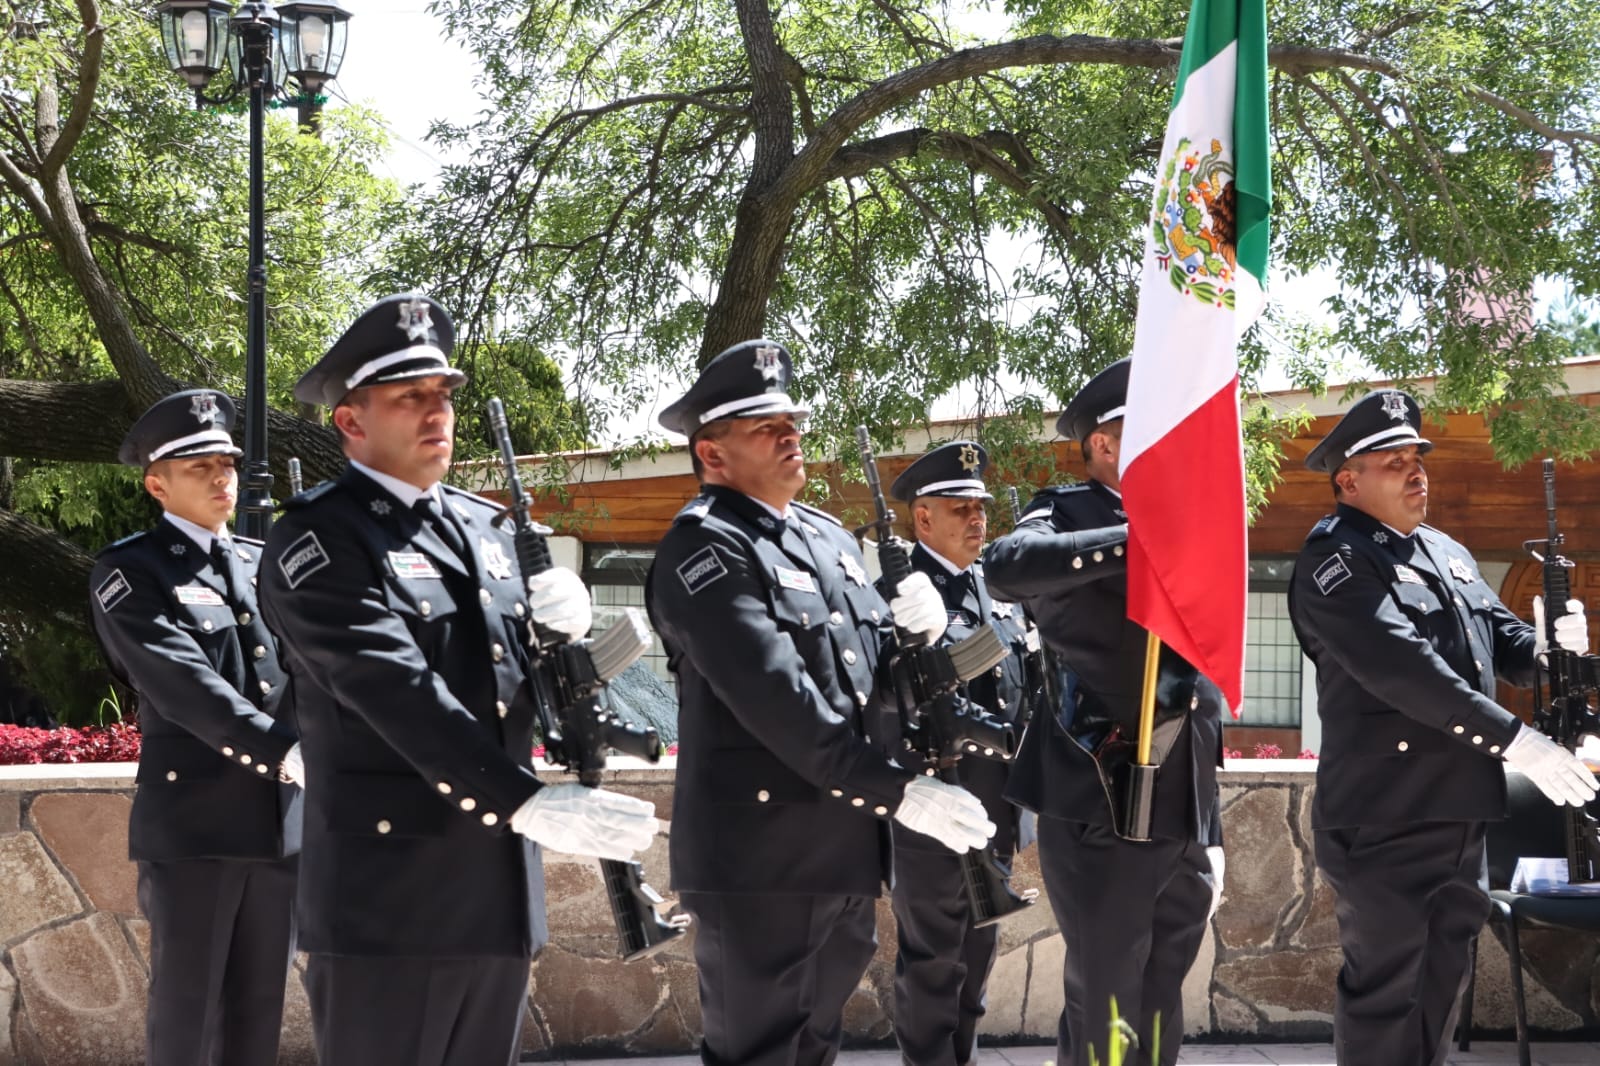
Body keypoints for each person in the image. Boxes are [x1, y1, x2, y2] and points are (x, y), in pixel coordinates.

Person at [258, 293, 658, 1066]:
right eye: (410, 396)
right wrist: (529, 803)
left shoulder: (489, 531)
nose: (435, 411)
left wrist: (564, 640)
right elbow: (393, 692)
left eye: (442, 393)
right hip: (389, 899)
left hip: (495, 889)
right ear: (351, 421)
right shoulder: (318, 538)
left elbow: (517, 685)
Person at [646, 339, 996, 1066]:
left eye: (792, 422)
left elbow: (868, 681)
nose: (790, 435)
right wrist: (898, 790)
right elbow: (779, 701)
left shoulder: (828, 539)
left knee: (814, 1048)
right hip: (759, 862)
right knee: (759, 1051)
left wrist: (918, 645)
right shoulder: (706, 548)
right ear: (712, 455)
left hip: (842, 849)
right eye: (765, 427)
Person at [1287, 387, 1597, 1066]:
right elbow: (1404, 668)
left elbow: (1505, 640)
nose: (1416, 470)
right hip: (1386, 816)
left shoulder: (1446, 552)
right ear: (1349, 480)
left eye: (1417, 457)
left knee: (1438, 989)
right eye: (1393, 461)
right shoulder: (1336, 560)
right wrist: (1518, 742)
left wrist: (1554, 645)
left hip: (1459, 812)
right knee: (1385, 993)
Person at [982, 358, 1224, 1066]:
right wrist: (1134, 542)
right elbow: (1007, 565)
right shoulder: (1067, 512)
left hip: (1179, 805)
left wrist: (1208, 823)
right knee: (1110, 1000)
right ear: (1103, 445)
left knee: (1158, 1000)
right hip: (1101, 797)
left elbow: (1199, 671)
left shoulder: (1195, 524)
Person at [88, 388, 303, 1066]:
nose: (220, 478)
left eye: (227, 463)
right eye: (198, 467)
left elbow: (310, 670)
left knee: (256, 1017)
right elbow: (184, 687)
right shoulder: (130, 572)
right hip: (198, 829)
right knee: (188, 1018)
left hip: (277, 827)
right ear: (158, 483)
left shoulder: (259, 559)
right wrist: (288, 753)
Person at [882, 440, 1034, 1066]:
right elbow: (889, 695)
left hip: (992, 807)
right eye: (961, 509)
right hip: (934, 810)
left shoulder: (994, 590)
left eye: (982, 510)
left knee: (975, 964)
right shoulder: (899, 595)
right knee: (932, 965)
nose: (978, 520)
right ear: (923, 519)